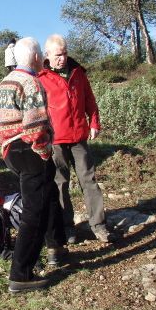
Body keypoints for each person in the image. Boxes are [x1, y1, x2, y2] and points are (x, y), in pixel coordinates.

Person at [0, 37, 65, 293]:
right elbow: (36, 125)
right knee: (33, 211)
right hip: (29, 149)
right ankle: (20, 275)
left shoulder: (3, 84)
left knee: (42, 201)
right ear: (35, 58)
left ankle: (53, 247)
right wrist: (44, 154)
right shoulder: (31, 82)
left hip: (11, 150)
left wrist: (5, 143)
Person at [39, 34, 112, 243]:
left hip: (79, 135)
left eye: (64, 53)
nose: (62, 58)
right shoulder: (41, 78)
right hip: (56, 139)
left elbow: (89, 99)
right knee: (60, 183)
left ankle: (99, 225)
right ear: (48, 55)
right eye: (58, 55)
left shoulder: (78, 72)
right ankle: (67, 227)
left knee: (89, 180)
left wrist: (94, 122)